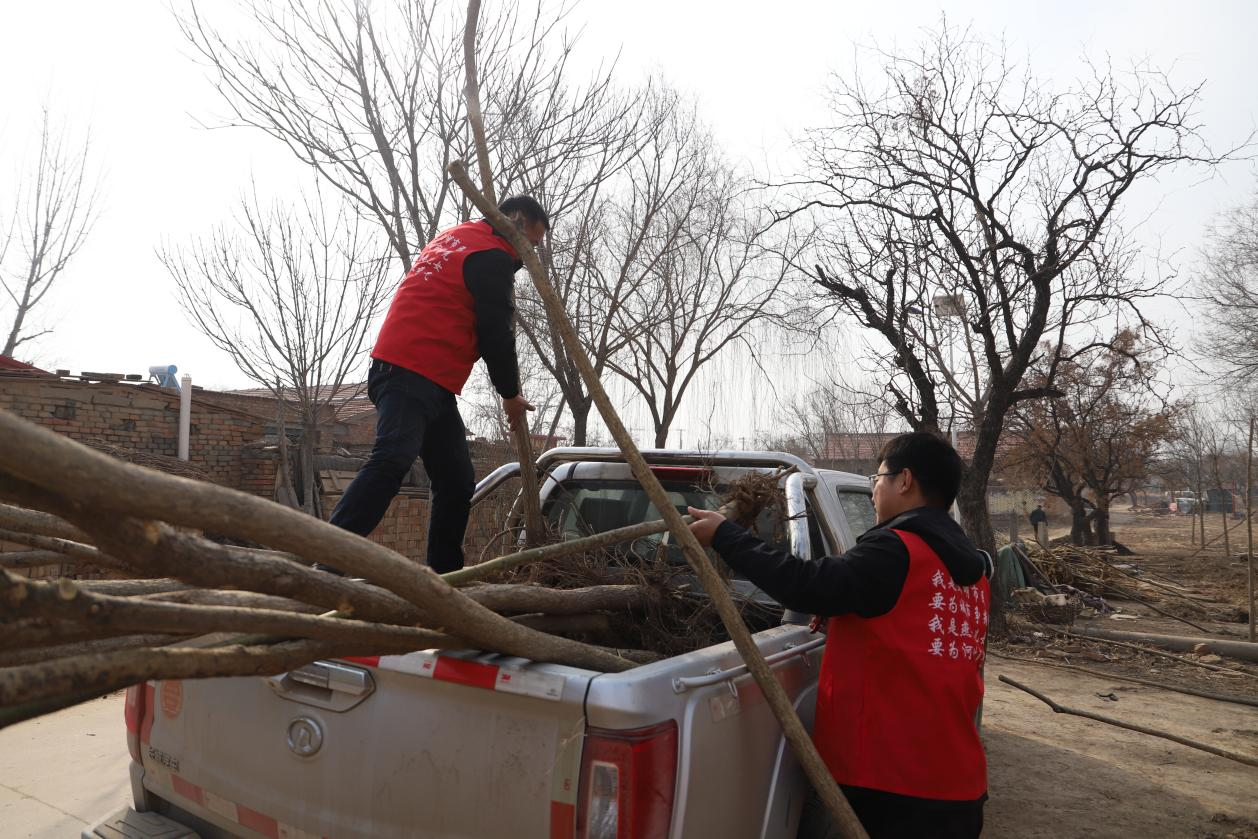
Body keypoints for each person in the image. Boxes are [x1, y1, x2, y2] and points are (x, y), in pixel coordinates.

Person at [687, 431, 992, 839]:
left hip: (893, 787)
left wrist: (725, 536)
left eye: (877, 478)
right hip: (957, 783)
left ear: (905, 481)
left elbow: (805, 584)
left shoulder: (896, 550)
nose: (873, 491)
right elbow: (907, 632)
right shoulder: (972, 571)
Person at [325, 196, 549, 574]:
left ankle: (444, 577)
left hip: (429, 379)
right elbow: (495, 333)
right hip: (410, 369)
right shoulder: (491, 256)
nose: (529, 256)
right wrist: (510, 394)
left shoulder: (459, 237)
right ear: (515, 221)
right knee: (393, 457)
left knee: (456, 479)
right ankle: (328, 562)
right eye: (531, 243)